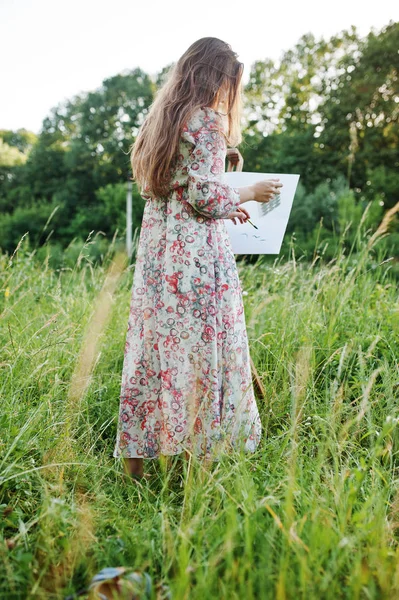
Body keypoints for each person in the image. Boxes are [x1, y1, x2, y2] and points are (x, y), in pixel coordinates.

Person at [113, 37, 283, 480]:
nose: (230, 93)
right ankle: (198, 468)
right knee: (202, 351)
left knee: (153, 350)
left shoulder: (161, 121)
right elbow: (205, 196)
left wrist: (222, 179)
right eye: (230, 82)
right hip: (196, 260)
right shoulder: (208, 122)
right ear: (215, 77)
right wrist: (249, 190)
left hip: (159, 256)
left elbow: (180, 187)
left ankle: (136, 470)